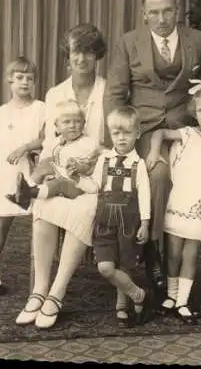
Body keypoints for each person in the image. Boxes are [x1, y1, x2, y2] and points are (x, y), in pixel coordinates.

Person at [103, 0, 201, 291]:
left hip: (186, 127)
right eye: (153, 12)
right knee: (158, 175)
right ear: (144, 14)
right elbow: (115, 93)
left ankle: (182, 255)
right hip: (143, 128)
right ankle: (153, 252)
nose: (161, 18)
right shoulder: (128, 43)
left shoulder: (197, 39)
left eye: (167, 10)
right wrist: (118, 135)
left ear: (177, 10)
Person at [15, 23, 107, 329]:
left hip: (96, 178)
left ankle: (57, 291)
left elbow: (113, 140)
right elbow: (51, 141)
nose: (81, 59)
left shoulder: (108, 91)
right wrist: (51, 169)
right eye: (76, 52)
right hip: (61, 170)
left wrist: (89, 163)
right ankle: (40, 288)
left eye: (88, 52)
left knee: (84, 208)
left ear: (97, 55)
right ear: (68, 56)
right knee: (43, 207)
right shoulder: (56, 93)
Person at [146, 80, 201, 324]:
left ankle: (183, 301)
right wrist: (154, 151)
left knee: (191, 255)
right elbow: (159, 132)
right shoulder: (187, 134)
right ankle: (171, 296)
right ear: (194, 112)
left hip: (199, 205)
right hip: (179, 201)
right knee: (173, 254)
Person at [0, 57, 45, 296]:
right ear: (10, 80)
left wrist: (24, 148)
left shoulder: (40, 108)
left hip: (20, 176)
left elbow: (44, 139)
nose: (25, 82)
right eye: (20, 78)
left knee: (2, 223)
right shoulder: (2, 111)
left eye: (30, 79)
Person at [89, 106, 152, 327]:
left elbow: (144, 196)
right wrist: (77, 179)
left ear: (137, 133)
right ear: (110, 134)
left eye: (127, 132)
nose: (121, 138)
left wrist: (145, 224)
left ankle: (121, 306)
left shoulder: (138, 164)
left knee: (125, 266)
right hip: (105, 222)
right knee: (106, 267)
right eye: (116, 133)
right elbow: (94, 186)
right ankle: (138, 294)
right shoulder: (104, 160)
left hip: (128, 223)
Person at [8, 100, 101, 207]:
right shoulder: (57, 142)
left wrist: (76, 166)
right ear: (57, 126)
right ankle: (25, 191)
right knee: (46, 162)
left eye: (77, 121)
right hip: (62, 177)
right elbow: (50, 162)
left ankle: (27, 194)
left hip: (80, 185)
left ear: (84, 123)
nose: (72, 125)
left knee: (58, 179)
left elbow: (90, 167)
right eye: (66, 122)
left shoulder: (88, 143)